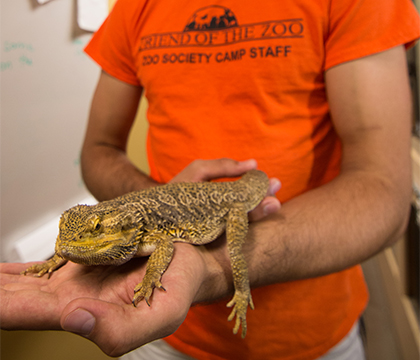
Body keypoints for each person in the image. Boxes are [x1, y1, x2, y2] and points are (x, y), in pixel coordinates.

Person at [2, 0, 420, 359]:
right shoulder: (136, 5)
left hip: (313, 336)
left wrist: (212, 266)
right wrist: (164, 200)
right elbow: (98, 150)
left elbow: (383, 190)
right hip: (152, 330)